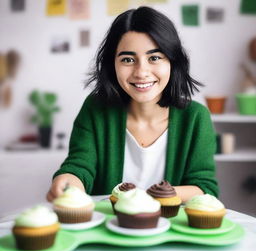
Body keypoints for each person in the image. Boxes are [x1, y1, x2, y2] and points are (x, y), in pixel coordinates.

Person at [47, 6, 218, 203]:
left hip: (171, 229)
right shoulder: (96, 109)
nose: (141, 72)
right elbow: (79, 166)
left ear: (173, 61)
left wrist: (145, 197)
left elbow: (205, 188)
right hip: (109, 226)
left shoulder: (195, 117)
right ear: (113, 65)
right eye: (128, 59)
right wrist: (66, 181)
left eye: (154, 58)